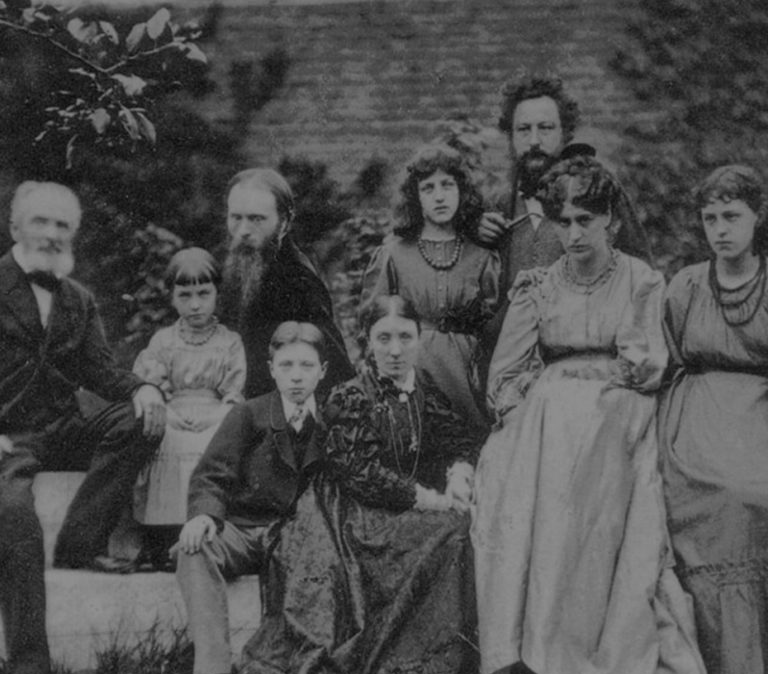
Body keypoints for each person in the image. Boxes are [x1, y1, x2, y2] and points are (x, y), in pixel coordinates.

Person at [472, 156, 729, 674]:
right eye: (563, 222)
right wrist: (529, 404)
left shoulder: (639, 280)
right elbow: (506, 374)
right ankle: (538, 651)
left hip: (618, 411)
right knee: (523, 479)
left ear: (611, 219)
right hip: (547, 419)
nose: (573, 234)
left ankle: (594, 654)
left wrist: (594, 385)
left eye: (585, 220)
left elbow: (645, 364)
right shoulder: (539, 286)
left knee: (598, 474)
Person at [203, 295, 481, 674]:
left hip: (391, 510)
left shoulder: (424, 391)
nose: (395, 350)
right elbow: (360, 472)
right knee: (436, 530)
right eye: (383, 338)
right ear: (366, 341)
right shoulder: (351, 396)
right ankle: (370, 666)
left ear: (419, 339)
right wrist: (428, 497)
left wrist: (459, 474)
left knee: (455, 531)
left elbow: (458, 439)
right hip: (348, 512)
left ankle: (427, 663)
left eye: (405, 338)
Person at [0, 181, 165, 674]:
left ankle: (79, 544)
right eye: (41, 221)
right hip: (9, 436)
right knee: (14, 511)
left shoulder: (78, 298)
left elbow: (100, 371)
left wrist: (142, 389)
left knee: (137, 421)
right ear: (15, 227)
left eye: (62, 225)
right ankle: (29, 670)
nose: (51, 233)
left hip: (63, 426)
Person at [175, 321, 328, 674]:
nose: (297, 376)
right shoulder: (248, 414)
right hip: (244, 530)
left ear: (323, 371)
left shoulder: (333, 421)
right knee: (194, 549)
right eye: (287, 365)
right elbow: (212, 473)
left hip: (298, 539)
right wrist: (204, 516)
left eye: (307, 366)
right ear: (272, 368)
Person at [659, 165, 768, 674]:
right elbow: (666, 357)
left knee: (746, 491)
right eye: (710, 218)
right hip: (694, 413)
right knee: (691, 492)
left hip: (758, 410)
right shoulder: (686, 285)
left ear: (757, 217)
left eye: (732, 216)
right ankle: (707, 656)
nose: (721, 229)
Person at [360, 144, 500, 432]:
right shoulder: (394, 254)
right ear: (415, 197)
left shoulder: (482, 255)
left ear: (462, 191)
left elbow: (494, 326)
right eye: (428, 188)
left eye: (447, 185)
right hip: (411, 368)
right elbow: (372, 324)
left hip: (468, 375)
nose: (439, 196)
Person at [478, 75, 651, 292]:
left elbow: (638, 272)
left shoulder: (596, 190)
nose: (534, 141)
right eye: (523, 129)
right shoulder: (498, 204)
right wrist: (477, 235)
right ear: (511, 136)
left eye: (545, 128)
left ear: (564, 133)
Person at [132, 248, 246, 569]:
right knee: (165, 438)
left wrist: (215, 415)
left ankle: (203, 533)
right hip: (173, 413)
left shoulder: (229, 342)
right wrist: (168, 412)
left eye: (203, 294)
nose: (195, 304)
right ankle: (162, 538)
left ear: (216, 294)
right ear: (172, 297)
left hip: (215, 414)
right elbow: (150, 386)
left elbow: (234, 393)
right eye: (185, 295)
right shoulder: (163, 341)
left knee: (214, 441)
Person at [217, 167, 353, 399]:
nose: (244, 231)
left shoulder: (299, 281)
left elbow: (334, 370)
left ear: (285, 222)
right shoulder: (231, 265)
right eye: (236, 218)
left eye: (256, 219)